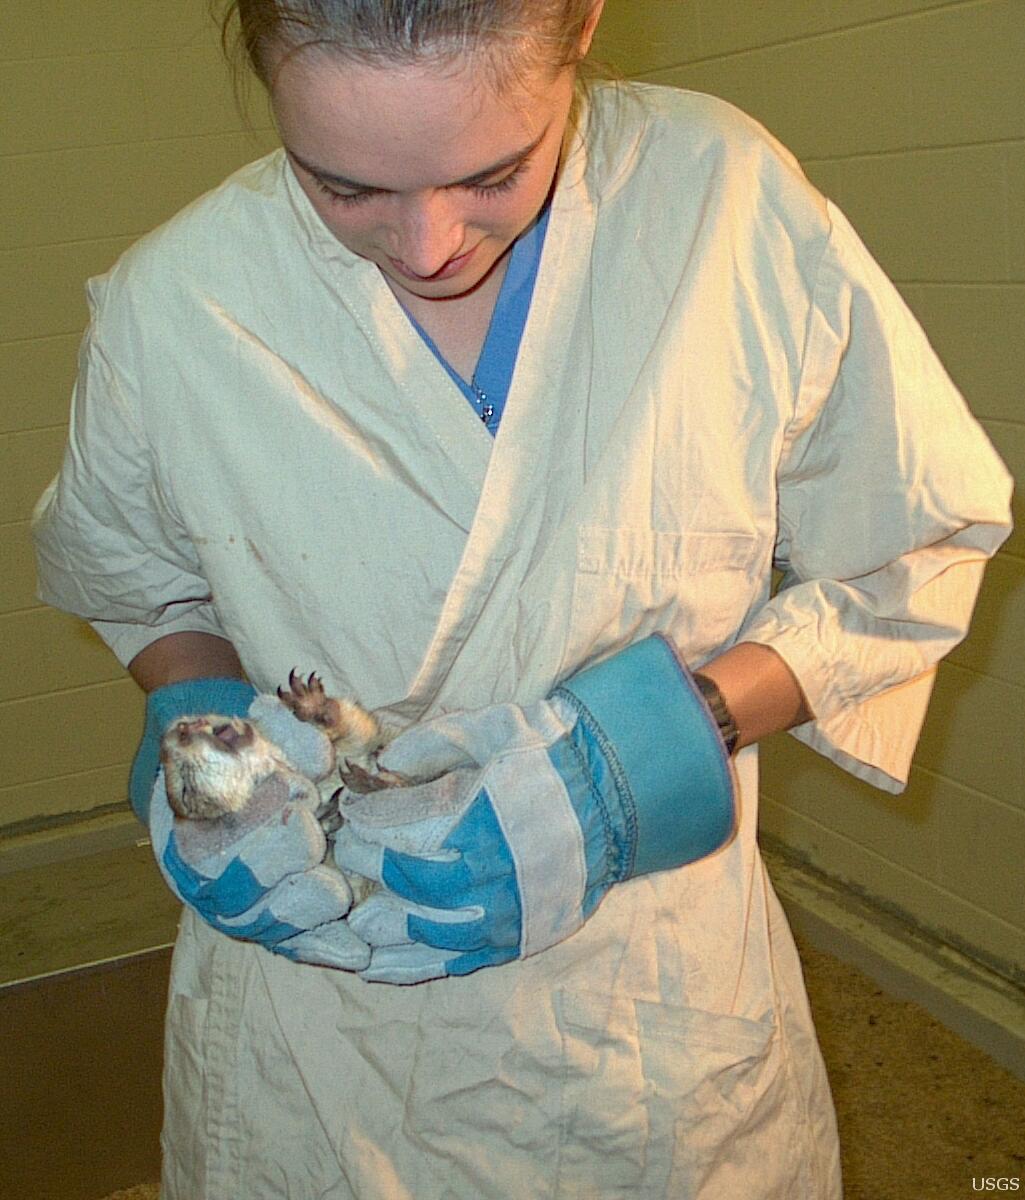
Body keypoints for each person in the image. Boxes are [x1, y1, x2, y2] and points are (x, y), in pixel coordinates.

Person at [31, 0, 1013, 1196]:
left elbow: (904, 547)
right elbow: (136, 574)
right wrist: (212, 750)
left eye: (494, 174)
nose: (429, 243)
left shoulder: (725, 208)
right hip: (313, 1018)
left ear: (584, 22)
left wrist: (643, 755)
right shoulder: (176, 299)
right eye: (342, 191)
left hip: (640, 1021)